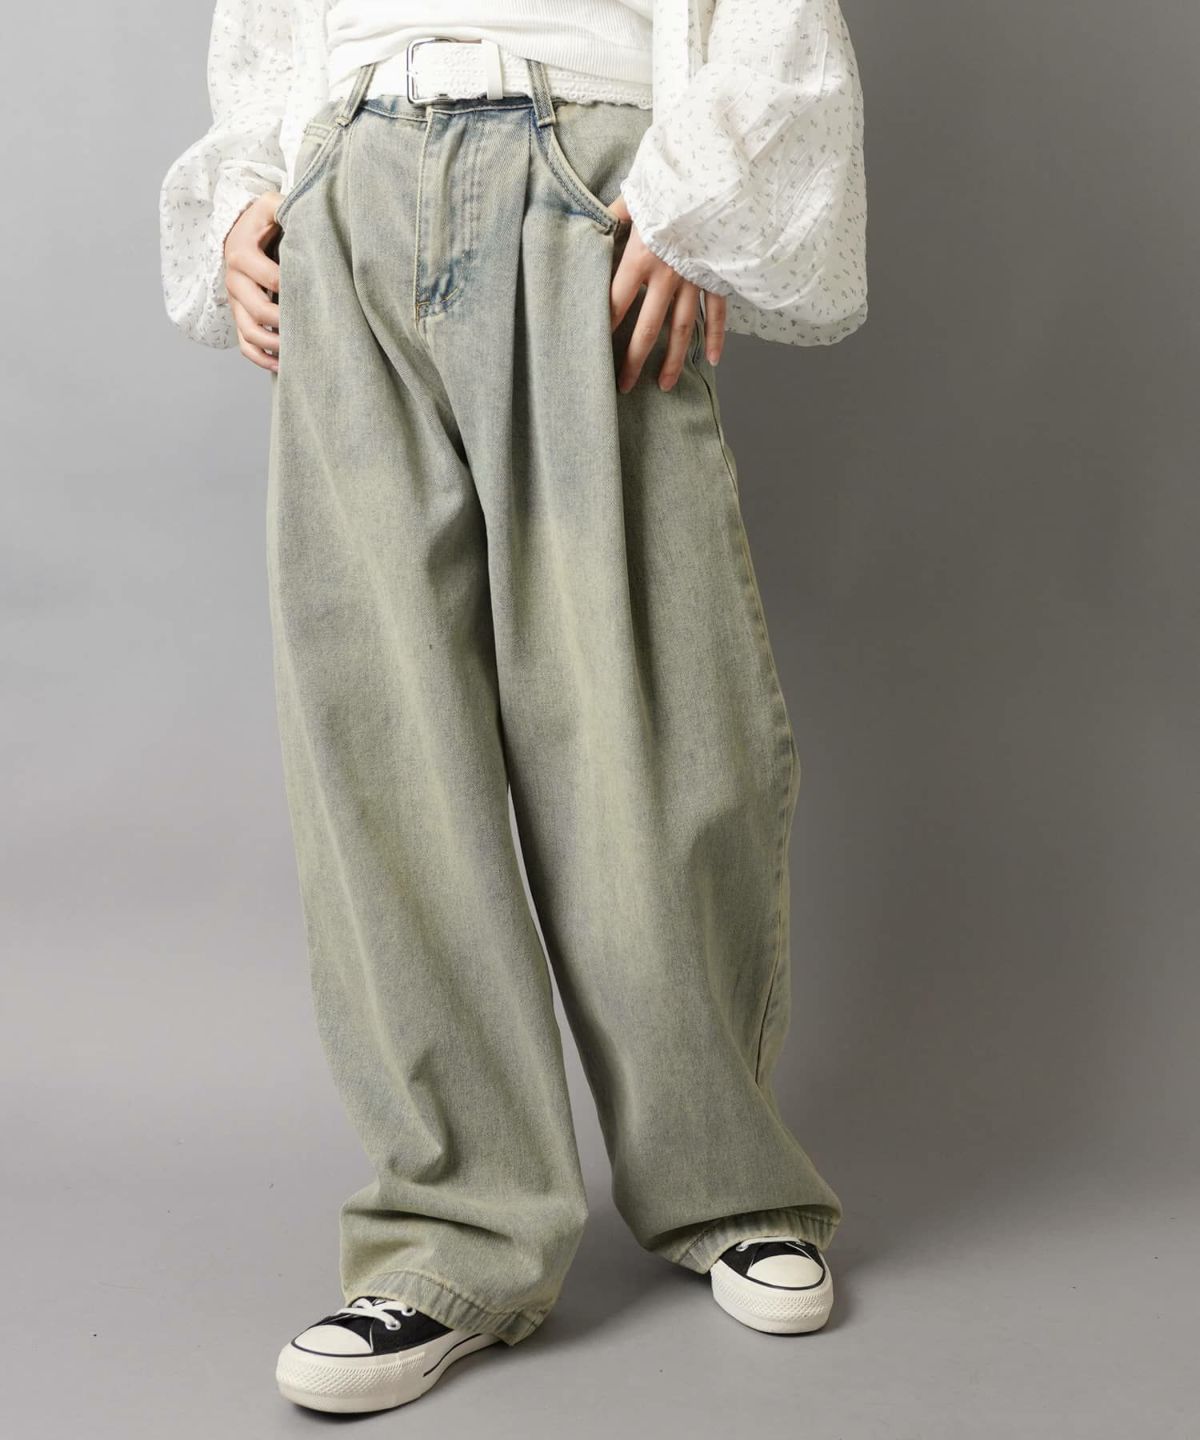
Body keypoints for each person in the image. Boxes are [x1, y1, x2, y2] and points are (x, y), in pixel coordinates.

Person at [160, 0, 867, 1415]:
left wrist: (703, 186)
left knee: (647, 714)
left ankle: (726, 1180)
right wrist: (247, 187)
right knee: (385, 742)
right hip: (348, 179)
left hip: (585, 176)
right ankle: (452, 1235)